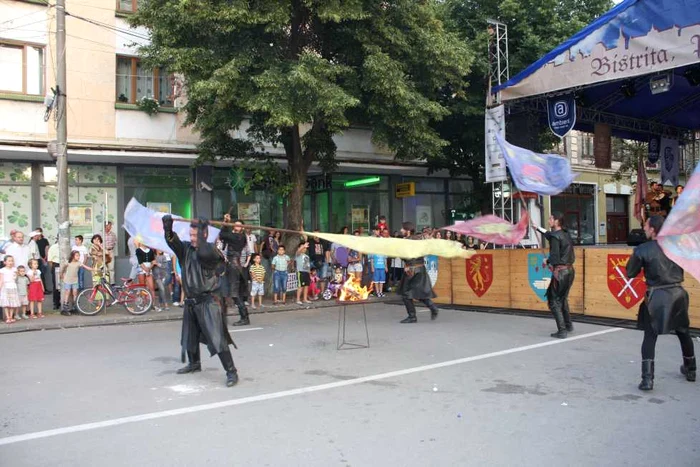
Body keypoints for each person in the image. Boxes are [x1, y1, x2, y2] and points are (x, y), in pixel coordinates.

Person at [163, 215, 238, 387]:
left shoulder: (211, 251)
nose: (192, 239)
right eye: (190, 235)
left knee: (216, 337)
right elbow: (173, 243)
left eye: (196, 236)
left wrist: (204, 233)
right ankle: (194, 363)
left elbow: (205, 254)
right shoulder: (187, 249)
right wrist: (168, 229)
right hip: (191, 301)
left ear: (204, 235)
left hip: (208, 301)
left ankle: (231, 371)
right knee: (190, 335)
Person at [626, 215, 695, 391]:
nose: (644, 229)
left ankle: (647, 380)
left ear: (653, 229)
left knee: (650, 336)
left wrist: (638, 257)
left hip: (658, 296)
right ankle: (691, 369)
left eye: (646, 226)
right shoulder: (677, 247)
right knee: (683, 332)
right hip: (678, 293)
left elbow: (630, 272)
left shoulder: (644, 249)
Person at [533, 212, 575, 338]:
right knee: (562, 299)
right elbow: (550, 235)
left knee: (554, 301)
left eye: (551, 218)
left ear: (556, 221)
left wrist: (548, 261)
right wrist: (537, 228)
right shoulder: (565, 234)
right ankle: (568, 325)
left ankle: (562, 330)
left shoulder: (556, 237)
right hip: (570, 271)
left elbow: (555, 257)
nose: (549, 219)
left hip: (560, 273)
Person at [397, 222, 440, 323]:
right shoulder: (419, 239)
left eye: (402, 229)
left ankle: (412, 316)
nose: (401, 230)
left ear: (407, 231)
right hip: (420, 268)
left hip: (412, 269)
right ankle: (433, 307)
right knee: (417, 292)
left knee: (406, 294)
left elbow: (406, 256)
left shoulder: (406, 241)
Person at [219, 215, 251, 326]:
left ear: (242, 228)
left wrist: (226, 223)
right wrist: (225, 222)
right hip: (231, 265)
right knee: (228, 291)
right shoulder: (233, 235)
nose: (237, 226)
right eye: (235, 224)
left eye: (239, 225)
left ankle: (244, 317)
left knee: (234, 293)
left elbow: (223, 234)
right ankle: (242, 316)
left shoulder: (240, 237)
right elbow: (223, 235)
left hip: (234, 265)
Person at [61, 251, 93, 315]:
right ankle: (65, 307)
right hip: (67, 280)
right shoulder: (68, 262)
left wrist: (93, 269)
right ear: (73, 256)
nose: (78, 257)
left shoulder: (79, 263)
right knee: (67, 292)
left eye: (79, 255)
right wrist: (62, 274)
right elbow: (63, 268)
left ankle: (75, 306)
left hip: (75, 280)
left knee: (75, 293)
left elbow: (86, 267)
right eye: (77, 255)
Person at [135, 240, 158, 309]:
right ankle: (143, 304)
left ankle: (153, 304)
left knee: (151, 287)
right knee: (142, 287)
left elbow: (153, 261)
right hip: (142, 268)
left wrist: (149, 268)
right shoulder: (138, 250)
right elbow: (140, 262)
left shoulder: (150, 250)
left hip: (149, 268)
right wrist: (146, 269)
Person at [309, 229, 331, 294]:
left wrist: (327, 261)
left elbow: (327, 251)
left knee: (323, 277)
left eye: (317, 234)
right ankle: (315, 292)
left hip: (323, 262)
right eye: (314, 234)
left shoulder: (323, 242)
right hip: (313, 262)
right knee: (314, 278)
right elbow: (304, 236)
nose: (316, 236)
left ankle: (322, 292)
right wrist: (301, 227)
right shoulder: (310, 241)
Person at [1, 255, 19, 324]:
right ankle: (7, 317)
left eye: (12, 261)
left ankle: (11, 316)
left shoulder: (14, 269)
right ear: (5, 262)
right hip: (5, 287)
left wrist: (16, 275)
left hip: (13, 286)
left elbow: (15, 278)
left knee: (12, 303)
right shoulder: (2, 270)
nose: (10, 262)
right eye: (9, 261)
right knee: (6, 303)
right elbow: (1, 280)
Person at [47, 238, 61, 310]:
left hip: (65, 265)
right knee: (56, 285)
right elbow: (50, 260)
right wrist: (53, 269)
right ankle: (56, 303)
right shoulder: (53, 247)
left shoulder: (67, 247)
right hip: (56, 265)